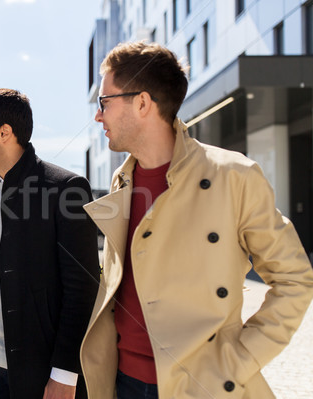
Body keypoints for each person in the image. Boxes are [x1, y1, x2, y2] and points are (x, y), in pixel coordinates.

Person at [80, 41, 313, 399]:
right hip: (122, 381)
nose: (98, 116)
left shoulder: (234, 175)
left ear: (141, 103)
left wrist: (235, 363)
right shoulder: (122, 180)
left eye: (104, 102)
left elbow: (295, 278)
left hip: (199, 387)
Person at [0, 88, 100, 399]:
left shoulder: (65, 189)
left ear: (3, 133)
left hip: (37, 370)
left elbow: (82, 288)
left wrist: (66, 373)